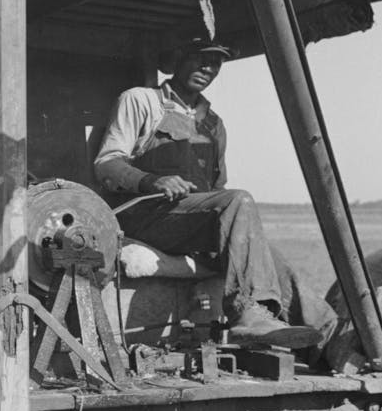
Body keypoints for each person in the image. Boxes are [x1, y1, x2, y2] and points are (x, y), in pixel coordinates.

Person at [93, 37, 334, 349]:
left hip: (191, 223)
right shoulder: (141, 101)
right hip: (145, 216)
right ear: (178, 58)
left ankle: (334, 338)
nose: (207, 67)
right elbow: (106, 163)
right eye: (199, 57)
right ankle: (248, 314)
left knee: (269, 258)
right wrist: (151, 181)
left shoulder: (213, 124)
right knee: (239, 200)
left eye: (216, 62)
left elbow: (217, 189)